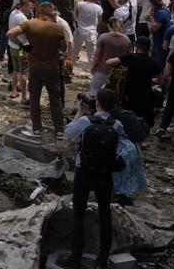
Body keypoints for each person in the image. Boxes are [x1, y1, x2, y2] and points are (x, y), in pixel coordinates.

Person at [60, 90, 125, 269]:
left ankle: (75, 257)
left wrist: (80, 113)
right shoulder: (117, 125)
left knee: (78, 214)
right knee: (105, 213)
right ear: (114, 106)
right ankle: (102, 258)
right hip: (105, 174)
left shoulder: (85, 121)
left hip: (84, 173)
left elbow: (67, 134)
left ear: (97, 104)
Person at [7, 2, 67, 135]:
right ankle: (59, 130)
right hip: (51, 68)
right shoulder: (57, 28)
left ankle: (37, 129)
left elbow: (10, 33)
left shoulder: (30, 24)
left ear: (39, 12)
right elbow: (64, 48)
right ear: (51, 13)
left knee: (34, 99)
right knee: (55, 99)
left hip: (34, 68)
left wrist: (24, 45)